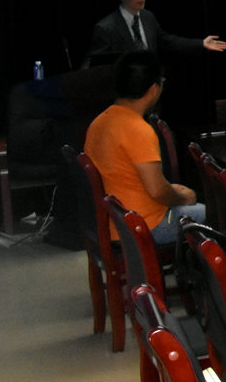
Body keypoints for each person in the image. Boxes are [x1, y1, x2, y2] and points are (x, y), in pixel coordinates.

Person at [82, 50, 204, 244]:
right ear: (153, 89)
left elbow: (128, 179)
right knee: (211, 213)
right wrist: (183, 197)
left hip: (114, 221)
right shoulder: (138, 129)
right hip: (143, 225)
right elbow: (157, 191)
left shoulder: (100, 122)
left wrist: (173, 190)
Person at [88, 0, 226, 66]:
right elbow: (95, 63)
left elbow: (168, 41)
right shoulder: (107, 27)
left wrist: (200, 44)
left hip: (150, 88)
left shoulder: (147, 17)